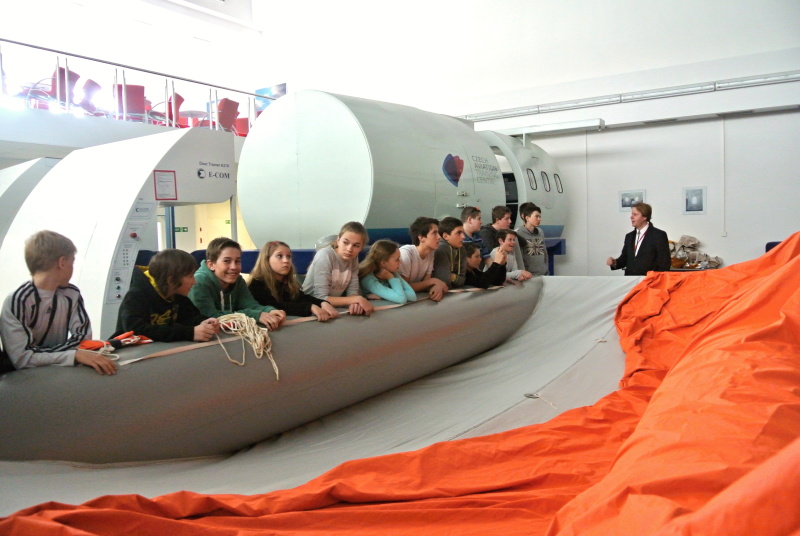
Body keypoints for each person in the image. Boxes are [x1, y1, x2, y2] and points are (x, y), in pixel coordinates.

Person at [0, 230, 116, 375]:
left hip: (59, 374)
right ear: (62, 262)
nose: (72, 267)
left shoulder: (72, 294)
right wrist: (73, 355)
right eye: (72, 262)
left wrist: (46, 355)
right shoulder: (18, 300)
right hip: (22, 380)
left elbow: (83, 340)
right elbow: (22, 358)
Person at [112, 249, 219, 342]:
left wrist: (203, 322)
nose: (194, 282)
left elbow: (190, 317)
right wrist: (189, 333)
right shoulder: (136, 296)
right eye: (190, 276)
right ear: (171, 280)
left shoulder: (177, 294)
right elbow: (136, 330)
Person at [189, 237, 286, 330]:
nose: (234, 267)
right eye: (227, 261)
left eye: (237, 261)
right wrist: (255, 315)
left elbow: (250, 305)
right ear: (211, 265)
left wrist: (270, 311)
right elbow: (211, 318)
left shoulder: (238, 280)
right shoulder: (198, 283)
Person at [249, 241, 339, 321]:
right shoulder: (257, 284)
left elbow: (301, 297)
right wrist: (310, 307)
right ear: (266, 260)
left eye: (288, 256)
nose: (286, 260)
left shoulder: (286, 282)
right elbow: (274, 305)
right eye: (279, 256)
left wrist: (322, 302)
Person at [302, 222, 374, 316]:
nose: (349, 249)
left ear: (361, 247)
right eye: (345, 242)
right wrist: (356, 299)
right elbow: (320, 297)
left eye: (356, 245)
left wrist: (354, 303)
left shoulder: (353, 258)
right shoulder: (325, 255)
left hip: (331, 307)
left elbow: (352, 290)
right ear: (338, 240)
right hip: (310, 307)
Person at [606, 202, 671, 275]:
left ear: (645, 217)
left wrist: (654, 280)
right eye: (632, 214)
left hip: (649, 280)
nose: (631, 217)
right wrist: (614, 262)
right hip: (630, 280)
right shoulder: (629, 236)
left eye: (635, 214)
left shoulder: (659, 235)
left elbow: (664, 264)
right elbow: (624, 259)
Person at [398, 217, 449, 302]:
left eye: (438, 233)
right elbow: (403, 287)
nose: (439, 237)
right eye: (434, 233)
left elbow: (425, 283)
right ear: (421, 237)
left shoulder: (431, 253)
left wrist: (436, 286)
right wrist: (434, 281)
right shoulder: (406, 253)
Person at [359, 239, 417, 304]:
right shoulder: (369, 280)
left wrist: (382, 297)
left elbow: (412, 296)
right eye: (397, 260)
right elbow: (401, 299)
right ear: (384, 263)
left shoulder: (392, 272)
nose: (400, 262)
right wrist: (391, 278)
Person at [479, 205, 526, 270]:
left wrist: (511, 233)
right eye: (507, 219)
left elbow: (524, 243)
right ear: (498, 220)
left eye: (510, 218)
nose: (510, 221)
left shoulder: (506, 232)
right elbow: (491, 254)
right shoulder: (486, 233)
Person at [516, 202, 549, 276]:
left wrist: (546, 269)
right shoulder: (518, 234)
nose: (539, 219)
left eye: (540, 216)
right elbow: (519, 258)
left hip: (543, 274)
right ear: (527, 218)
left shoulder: (540, 232)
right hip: (528, 276)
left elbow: (545, 253)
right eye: (536, 216)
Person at [433, 216, 467, 289]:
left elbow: (463, 280)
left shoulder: (462, 248)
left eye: (463, 233)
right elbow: (444, 280)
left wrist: (452, 277)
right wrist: (455, 278)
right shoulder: (441, 249)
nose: (463, 237)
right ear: (445, 236)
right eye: (458, 233)